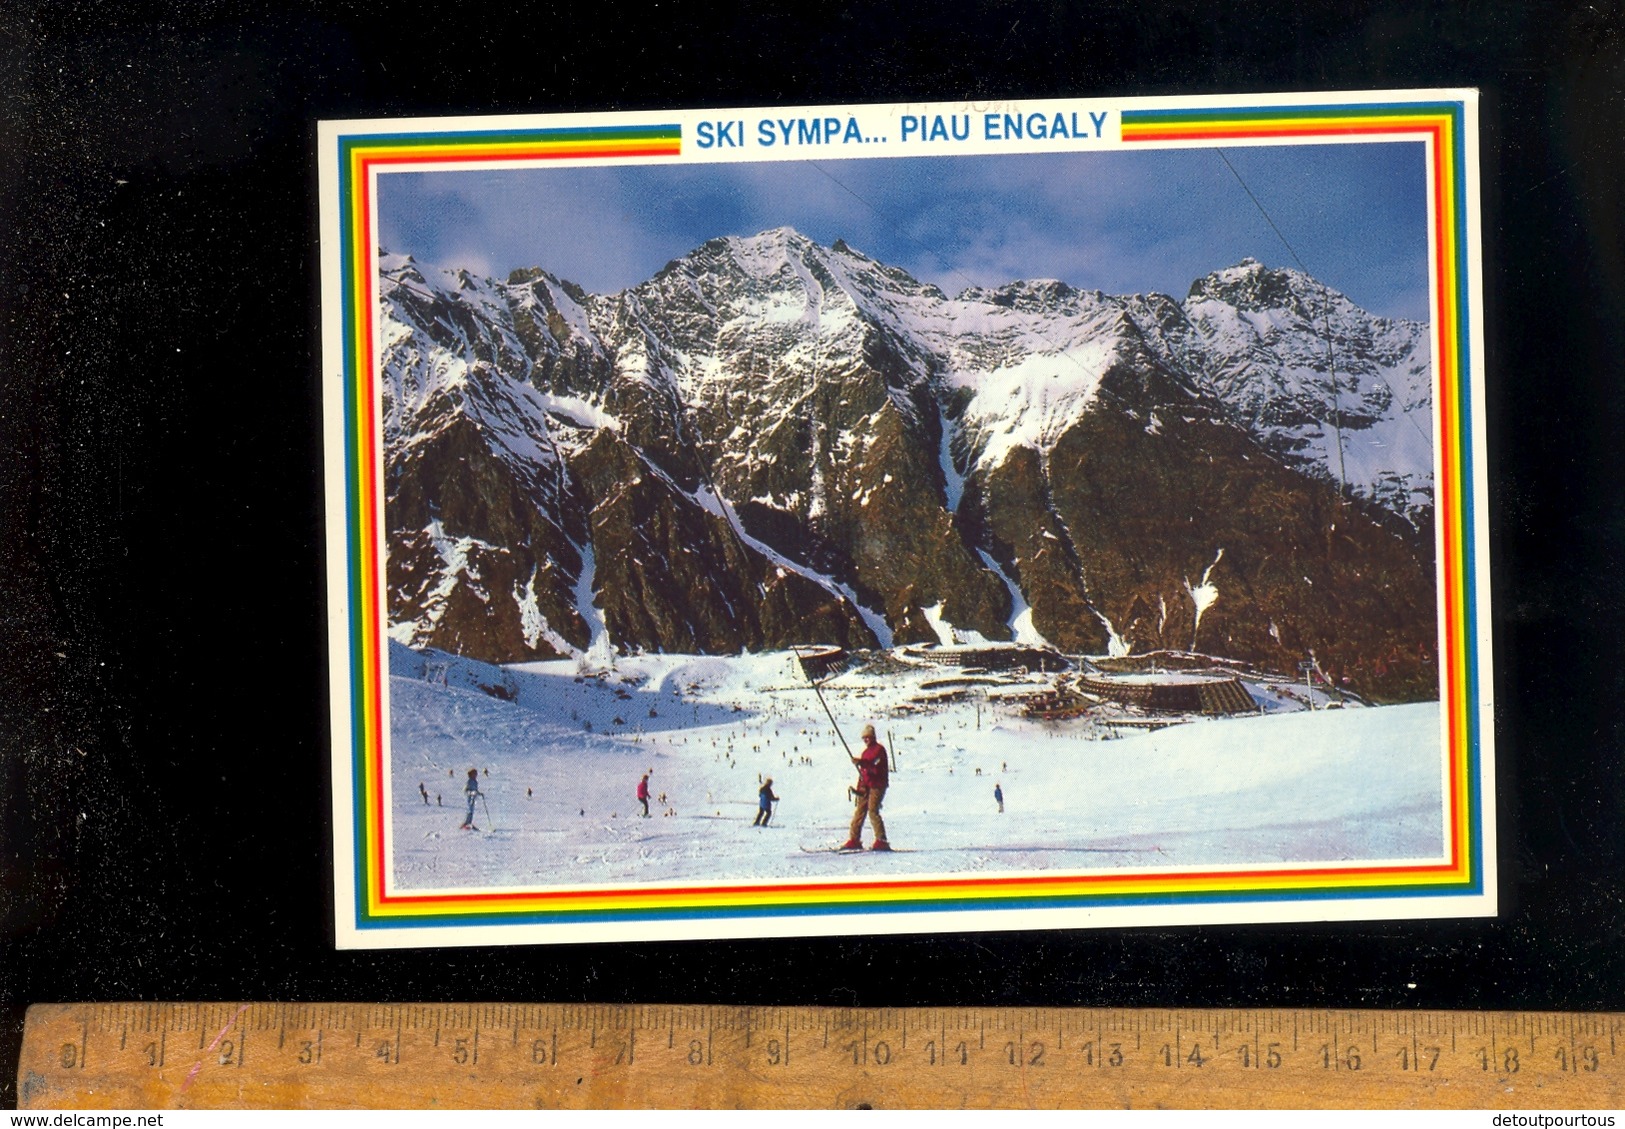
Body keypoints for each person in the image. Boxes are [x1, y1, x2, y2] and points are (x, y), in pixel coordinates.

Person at [842, 724, 890, 850]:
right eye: (864, 738)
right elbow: (863, 774)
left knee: (872, 810)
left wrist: (861, 763)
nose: (866, 740)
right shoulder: (865, 752)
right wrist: (859, 789)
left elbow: (875, 767)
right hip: (866, 785)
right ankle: (854, 839)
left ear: (873, 737)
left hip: (877, 785)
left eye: (868, 737)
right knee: (860, 811)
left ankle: (881, 840)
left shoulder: (879, 750)